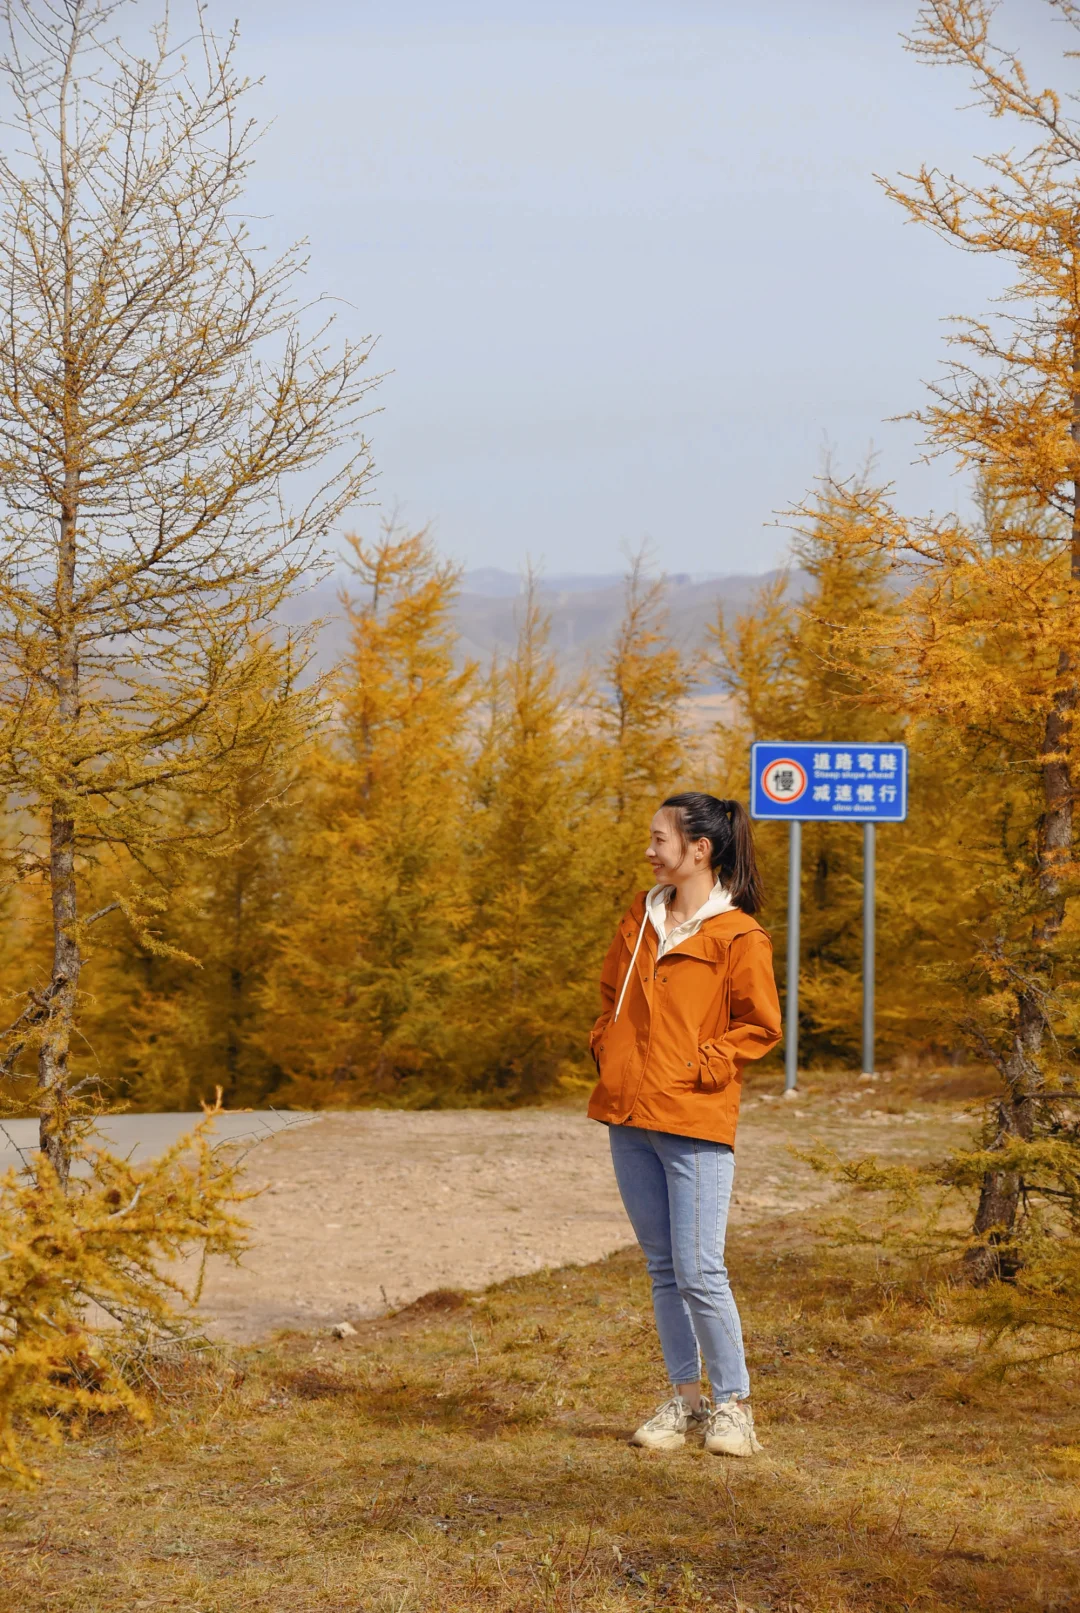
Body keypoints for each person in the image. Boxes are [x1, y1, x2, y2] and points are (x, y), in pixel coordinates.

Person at [587, 792, 782, 1457]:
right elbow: (611, 999)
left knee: (701, 1268)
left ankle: (734, 1405)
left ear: (700, 848)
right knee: (664, 1267)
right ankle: (686, 1401)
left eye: (659, 838)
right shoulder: (637, 921)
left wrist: (708, 1062)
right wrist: (607, 1050)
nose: (649, 849)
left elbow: (760, 1024)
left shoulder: (738, 935)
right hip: (628, 1115)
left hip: (695, 1116)